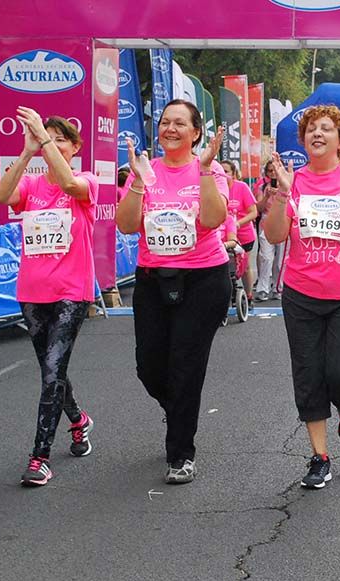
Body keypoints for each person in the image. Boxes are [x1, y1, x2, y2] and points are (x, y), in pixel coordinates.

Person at [262, 104, 340, 490]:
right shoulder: (292, 180)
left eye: (326, 128)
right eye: (311, 128)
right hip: (301, 293)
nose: (317, 133)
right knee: (309, 376)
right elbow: (275, 236)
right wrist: (281, 194)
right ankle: (319, 457)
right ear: (303, 139)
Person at [116, 99, 228, 484]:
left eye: (181, 123)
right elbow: (127, 225)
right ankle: (177, 406)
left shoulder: (208, 171)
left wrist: (208, 171)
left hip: (203, 280)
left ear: (196, 132)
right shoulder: (147, 171)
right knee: (149, 368)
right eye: (165, 122)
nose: (171, 129)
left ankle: (181, 454)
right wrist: (136, 180)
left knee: (185, 366)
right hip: (152, 279)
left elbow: (213, 219)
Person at [0, 108, 98, 486]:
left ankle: (40, 457)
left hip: (72, 292)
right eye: (46, 140)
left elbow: (69, 185)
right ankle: (79, 420)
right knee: (51, 371)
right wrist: (26, 152)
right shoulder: (33, 186)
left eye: (59, 140)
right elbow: (2, 194)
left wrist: (44, 136)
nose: (49, 145)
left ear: (74, 147)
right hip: (32, 291)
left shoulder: (85, 180)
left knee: (53, 371)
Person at [221, 160, 258, 299]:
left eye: (226, 172)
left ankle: (248, 294)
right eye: (221, 171)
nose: (223, 175)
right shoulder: (214, 188)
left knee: (244, 266)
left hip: (243, 234)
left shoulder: (241, 187)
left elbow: (253, 212)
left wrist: (238, 223)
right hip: (223, 234)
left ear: (233, 174)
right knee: (225, 266)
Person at [255, 160, 285, 301]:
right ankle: (263, 289)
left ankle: (278, 287)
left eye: (275, 170)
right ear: (266, 173)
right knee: (266, 257)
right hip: (266, 223)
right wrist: (267, 196)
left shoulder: (287, 185)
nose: (273, 174)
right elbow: (258, 209)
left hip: (283, 221)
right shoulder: (262, 188)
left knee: (280, 260)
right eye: (270, 171)